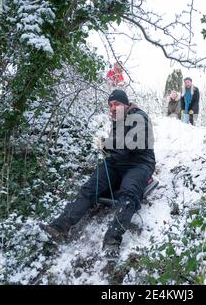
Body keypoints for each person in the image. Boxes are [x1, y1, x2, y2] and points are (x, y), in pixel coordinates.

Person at [41, 89, 155, 259]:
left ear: (126, 104)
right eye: (110, 105)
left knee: (129, 193)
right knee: (90, 188)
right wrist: (107, 148)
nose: (113, 108)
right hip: (116, 163)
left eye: (116, 103)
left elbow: (136, 143)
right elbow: (117, 148)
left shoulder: (138, 116)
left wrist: (108, 143)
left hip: (138, 164)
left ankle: (112, 240)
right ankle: (59, 228)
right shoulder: (117, 121)